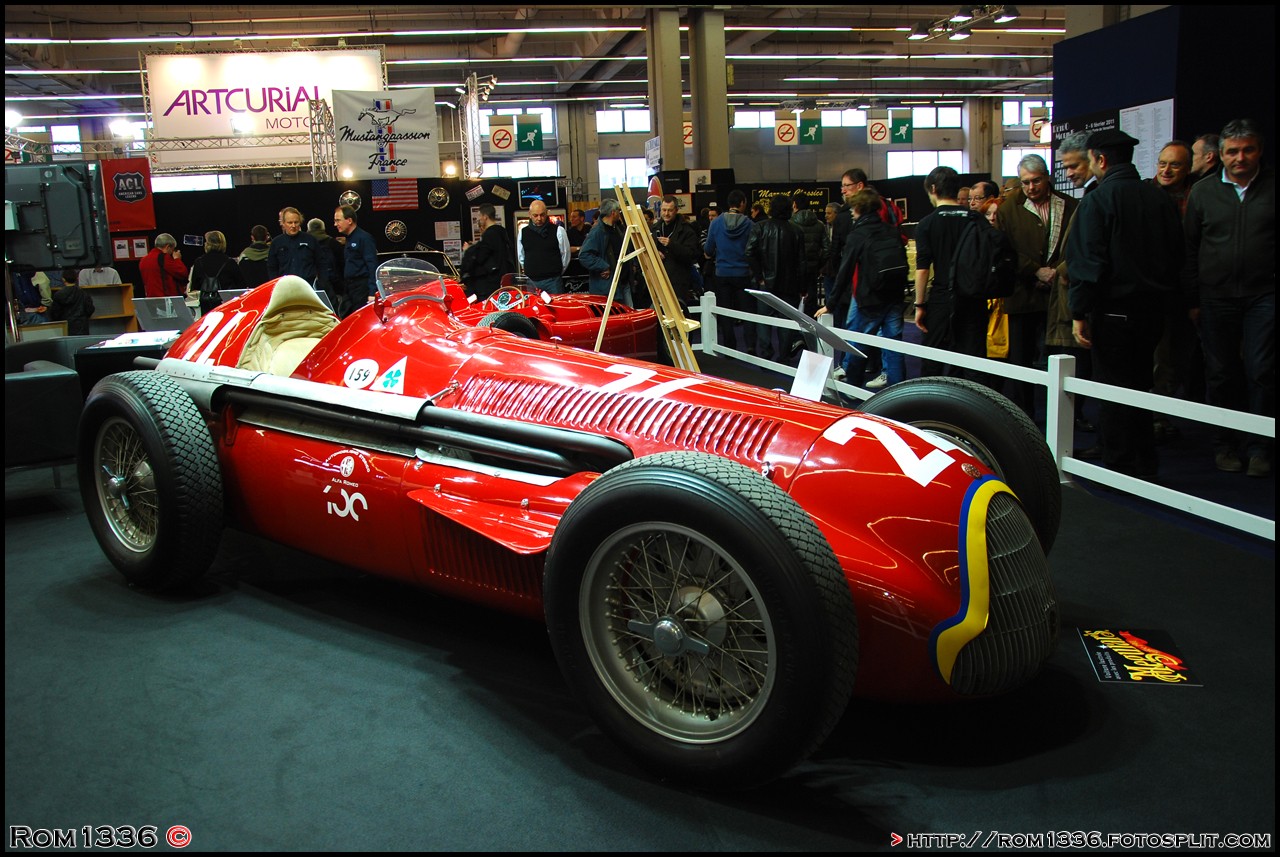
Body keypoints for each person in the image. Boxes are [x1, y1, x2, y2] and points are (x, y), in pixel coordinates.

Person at [1067, 128, 1184, 479]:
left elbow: (1089, 264)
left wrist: (1078, 312)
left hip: (1112, 314)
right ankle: (1145, 462)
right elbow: (1178, 254)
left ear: (1100, 160)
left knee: (1114, 390)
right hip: (1153, 313)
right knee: (1141, 387)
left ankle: (1119, 467)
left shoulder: (1099, 200)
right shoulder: (1159, 199)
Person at [1182, 118, 1274, 478]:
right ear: (1219, 155)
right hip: (1215, 297)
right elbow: (1190, 249)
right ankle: (1225, 444)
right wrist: (1193, 298)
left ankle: (1260, 447)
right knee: (1221, 374)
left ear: (1259, 151)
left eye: (1247, 149)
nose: (1240, 157)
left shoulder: (1272, 186)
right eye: (1232, 151)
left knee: (1262, 372)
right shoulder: (1203, 192)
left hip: (1263, 296)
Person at [995, 153, 1077, 417]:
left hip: (1060, 291)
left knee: (1062, 358)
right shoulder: (1009, 208)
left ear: (1047, 178)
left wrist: (1056, 272)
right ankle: (1024, 413)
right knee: (1022, 359)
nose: (1031, 187)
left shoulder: (1070, 205)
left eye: (1036, 181)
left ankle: (1068, 415)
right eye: (1025, 182)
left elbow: (1078, 244)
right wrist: (1035, 271)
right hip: (1023, 293)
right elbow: (1005, 250)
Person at [822, 188, 907, 389]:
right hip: (894, 296)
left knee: (857, 343)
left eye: (853, 208)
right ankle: (897, 389)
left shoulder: (858, 234)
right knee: (894, 345)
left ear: (860, 208)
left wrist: (830, 304)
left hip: (869, 298)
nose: (851, 211)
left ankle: (853, 388)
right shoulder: (891, 230)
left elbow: (844, 271)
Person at [913, 166, 991, 379]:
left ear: (933, 188)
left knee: (933, 359)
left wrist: (919, 305)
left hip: (941, 298)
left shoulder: (927, 224)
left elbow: (922, 269)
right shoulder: (977, 219)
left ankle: (932, 408)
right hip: (974, 297)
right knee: (974, 360)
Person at [1048, 131, 1099, 435]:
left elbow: (1086, 252)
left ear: (1093, 159)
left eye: (1074, 166)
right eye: (1065, 167)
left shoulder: (1094, 198)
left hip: (1081, 298)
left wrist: (1062, 271)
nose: (1069, 174)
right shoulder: (1088, 197)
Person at [745, 194, 804, 362]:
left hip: (766, 285)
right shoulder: (796, 231)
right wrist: (803, 287)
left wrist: (759, 277)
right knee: (786, 323)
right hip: (790, 286)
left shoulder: (760, 227)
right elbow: (801, 262)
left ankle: (765, 354)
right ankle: (784, 356)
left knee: (763, 321)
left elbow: (749, 253)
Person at [703, 189, 755, 349]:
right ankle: (751, 346)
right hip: (743, 274)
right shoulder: (750, 224)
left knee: (725, 312)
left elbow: (708, 249)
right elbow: (754, 250)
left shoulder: (716, 223)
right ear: (742, 203)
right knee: (748, 312)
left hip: (722, 274)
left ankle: (728, 346)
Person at [578, 199, 633, 306]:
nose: (620, 213)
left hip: (622, 282)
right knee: (614, 320)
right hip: (608, 287)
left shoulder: (617, 228)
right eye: (619, 211)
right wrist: (603, 266)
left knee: (628, 317)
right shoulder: (597, 232)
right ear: (613, 212)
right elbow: (584, 255)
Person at [458, 204, 514, 301]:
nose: (479, 219)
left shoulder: (490, 235)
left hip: (489, 288)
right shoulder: (502, 234)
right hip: (502, 284)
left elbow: (480, 257)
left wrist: (468, 251)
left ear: (485, 217)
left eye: (479, 216)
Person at [651, 195, 701, 304]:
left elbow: (691, 254)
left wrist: (671, 244)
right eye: (664, 210)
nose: (666, 213)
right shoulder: (654, 228)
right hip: (658, 280)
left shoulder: (687, 230)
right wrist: (655, 253)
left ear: (676, 210)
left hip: (678, 281)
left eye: (670, 210)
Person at [267, 207, 333, 288]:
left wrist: (322, 283)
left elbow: (322, 263)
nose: (293, 225)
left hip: (309, 286)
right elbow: (272, 267)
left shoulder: (310, 240)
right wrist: (275, 286)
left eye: (296, 222)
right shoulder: (276, 243)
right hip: (285, 288)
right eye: (290, 222)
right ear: (283, 223)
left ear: (300, 222)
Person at [333, 205, 378, 318]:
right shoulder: (348, 239)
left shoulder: (364, 238)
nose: (335, 224)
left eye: (338, 220)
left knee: (361, 319)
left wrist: (372, 293)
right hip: (349, 288)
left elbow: (372, 266)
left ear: (349, 220)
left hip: (362, 288)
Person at [518, 200, 571, 294]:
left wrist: (556, 272)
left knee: (557, 308)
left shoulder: (559, 231)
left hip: (553, 281)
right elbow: (521, 257)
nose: (539, 218)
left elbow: (565, 255)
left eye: (542, 215)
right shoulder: (522, 233)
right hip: (532, 281)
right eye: (535, 215)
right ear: (529, 214)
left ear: (547, 213)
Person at [188, 230, 245, 317]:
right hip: (226, 304)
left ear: (208, 244)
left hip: (206, 305)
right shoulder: (230, 263)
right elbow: (241, 286)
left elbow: (195, 286)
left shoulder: (198, 262)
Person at [790, 195, 829, 316]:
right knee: (811, 302)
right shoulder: (820, 225)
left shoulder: (790, 224)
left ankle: (795, 331)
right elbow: (827, 248)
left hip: (794, 269)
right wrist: (818, 263)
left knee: (794, 302)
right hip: (812, 268)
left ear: (794, 205)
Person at [139, 233, 188, 298]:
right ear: (167, 247)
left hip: (150, 299)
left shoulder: (143, 260)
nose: (171, 253)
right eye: (172, 249)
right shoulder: (164, 258)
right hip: (165, 300)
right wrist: (177, 259)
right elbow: (182, 272)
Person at [307, 217, 342, 308]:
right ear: (323, 228)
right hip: (334, 286)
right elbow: (342, 264)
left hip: (312, 285)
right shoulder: (334, 243)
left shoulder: (306, 244)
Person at [48, 271, 95, 335]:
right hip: (82, 326)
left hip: (65, 326)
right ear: (76, 278)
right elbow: (90, 309)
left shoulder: (58, 294)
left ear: (63, 279)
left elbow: (55, 313)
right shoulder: (83, 293)